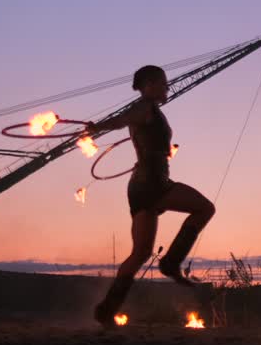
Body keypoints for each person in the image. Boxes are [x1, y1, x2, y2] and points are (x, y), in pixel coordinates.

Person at [89, 65, 215, 328]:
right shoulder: (143, 108)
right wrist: (98, 127)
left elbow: (134, 128)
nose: (167, 87)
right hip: (152, 183)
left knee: (141, 252)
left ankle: (105, 310)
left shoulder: (151, 110)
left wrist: (164, 150)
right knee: (205, 208)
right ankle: (170, 263)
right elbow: (122, 119)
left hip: (140, 185)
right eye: (163, 83)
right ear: (148, 84)